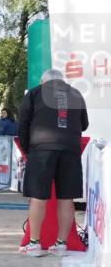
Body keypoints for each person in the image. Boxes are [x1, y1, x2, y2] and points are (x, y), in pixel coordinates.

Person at [17, 68, 88, 257]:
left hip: (41, 150)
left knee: (38, 197)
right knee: (66, 198)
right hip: (70, 151)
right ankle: (61, 244)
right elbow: (84, 124)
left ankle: (34, 244)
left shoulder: (34, 93)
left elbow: (23, 123)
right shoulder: (76, 93)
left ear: (43, 82)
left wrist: (26, 149)